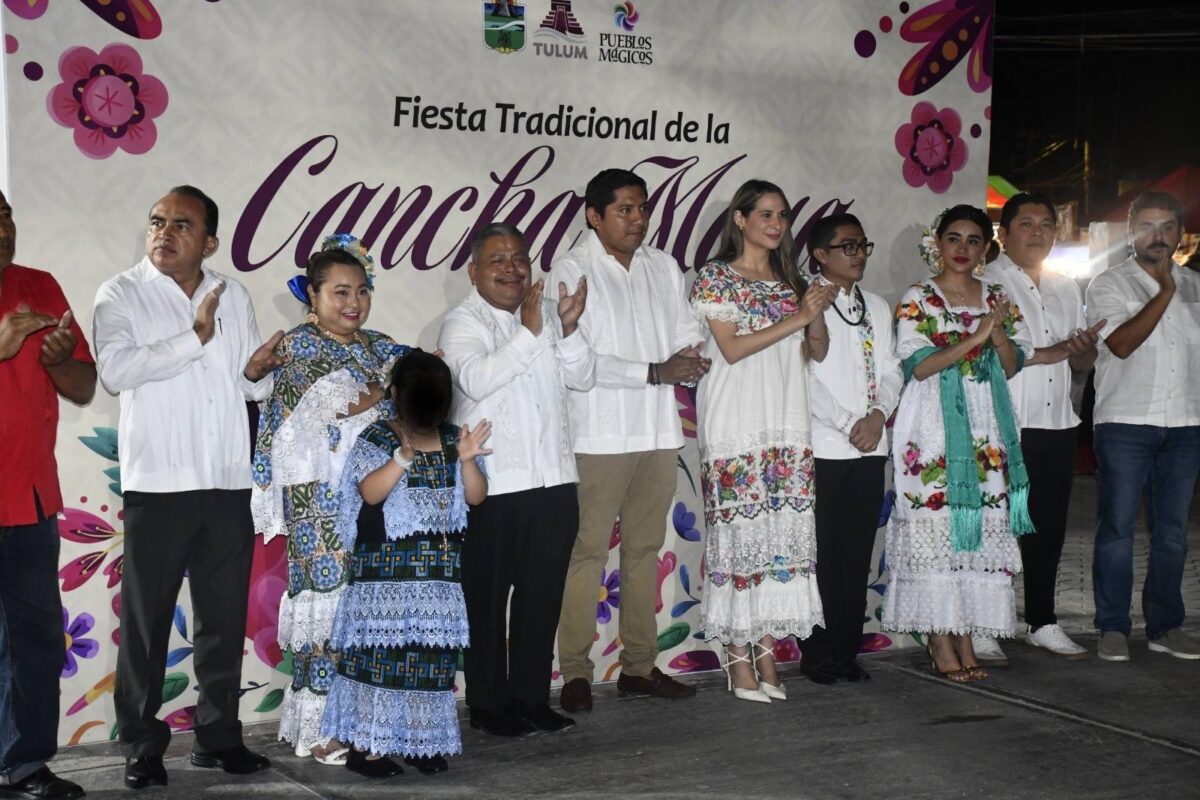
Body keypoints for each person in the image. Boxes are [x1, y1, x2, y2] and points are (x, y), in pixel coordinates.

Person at [93, 186, 281, 790]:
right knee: (147, 625)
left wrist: (255, 373)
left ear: (209, 241)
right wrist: (193, 337)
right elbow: (118, 371)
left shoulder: (234, 293)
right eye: (156, 221)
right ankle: (141, 747)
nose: (164, 233)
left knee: (223, 620)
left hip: (226, 481)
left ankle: (219, 736)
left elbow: (249, 390)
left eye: (181, 224)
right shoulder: (120, 293)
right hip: (159, 485)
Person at [552, 169, 707, 714]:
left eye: (642, 208)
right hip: (598, 432)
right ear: (593, 215)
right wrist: (656, 371)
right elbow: (580, 364)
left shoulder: (663, 266)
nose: (637, 218)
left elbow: (688, 327)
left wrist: (690, 355)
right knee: (586, 552)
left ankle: (639, 666)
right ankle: (574, 672)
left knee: (645, 549)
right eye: (624, 209)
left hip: (658, 431)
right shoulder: (571, 269)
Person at [250, 235, 409, 763]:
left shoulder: (377, 345)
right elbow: (340, 404)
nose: (353, 304)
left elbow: (423, 377)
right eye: (340, 292)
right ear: (312, 299)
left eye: (361, 291)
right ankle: (321, 730)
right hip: (318, 502)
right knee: (328, 613)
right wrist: (389, 388)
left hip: (374, 499)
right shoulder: (297, 348)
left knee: (368, 616)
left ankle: (364, 721)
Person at [438, 223, 593, 735]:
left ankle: (531, 699)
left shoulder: (547, 313)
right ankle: (486, 706)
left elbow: (583, 377)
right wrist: (530, 334)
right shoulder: (462, 323)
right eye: (498, 260)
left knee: (541, 597)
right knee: (486, 602)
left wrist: (566, 330)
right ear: (473, 271)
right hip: (494, 488)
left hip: (553, 482)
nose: (512, 268)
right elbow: (477, 379)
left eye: (519, 258)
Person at [688, 180, 834, 701]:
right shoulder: (716, 278)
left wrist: (814, 318)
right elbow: (729, 349)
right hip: (736, 424)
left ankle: (768, 660)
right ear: (741, 219)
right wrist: (799, 316)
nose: (776, 224)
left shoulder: (790, 279)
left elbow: (814, 350)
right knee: (739, 543)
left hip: (786, 425)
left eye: (782, 215)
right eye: (766, 214)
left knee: (776, 543)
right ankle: (737, 663)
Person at [883, 204, 1034, 683]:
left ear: (986, 248)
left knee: (972, 533)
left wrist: (999, 335)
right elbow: (920, 366)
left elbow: (1010, 364)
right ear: (937, 244)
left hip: (986, 426)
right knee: (936, 531)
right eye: (954, 238)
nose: (964, 249)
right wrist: (981, 334)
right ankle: (939, 638)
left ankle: (963, 631)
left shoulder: (996, 295)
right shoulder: (918, 298)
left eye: (974, 240)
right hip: (931, 429)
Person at [320, 351, 490, 777]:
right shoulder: (378, 437)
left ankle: (419, 742)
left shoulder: (456, 438)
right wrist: (400, 460)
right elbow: (370, 494)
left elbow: (476, 497)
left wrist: (467, 460)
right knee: (380, 661)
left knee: (429, 665)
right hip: (384, 579)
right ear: (397, 395)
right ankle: (368, 750)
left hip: (437, 579)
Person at [970, 193, 1104, 665]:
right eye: (1025, 224)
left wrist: (1085, 346)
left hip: (1057, 422)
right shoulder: (985, 283)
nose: (1038, 232)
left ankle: (1042, 620)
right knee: (995, 525)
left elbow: (1081, 361)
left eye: (1046, 224)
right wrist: (1057, 350)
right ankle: (983, 624)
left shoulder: (1067, 288)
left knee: (1046, 527)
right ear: (1003, 234)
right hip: (1004, 422)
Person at [0, 190, 94, 800]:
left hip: (29, 500)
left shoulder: (39, 285)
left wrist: (59, 361)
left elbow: (83, 385)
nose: (3, 228)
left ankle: (26, 765)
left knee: (34, 643)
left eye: (5, 215)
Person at [1085, 190, 1200, 662]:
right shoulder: (1107, 284)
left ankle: (1165, 626)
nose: (1159, 236)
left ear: (1180, 232)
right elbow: (1124, 344)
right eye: (1148, 226)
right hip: (1125, 423)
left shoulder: (1196, 285)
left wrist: (1178, 284)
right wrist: (1166, 291)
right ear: (1131, 231)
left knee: (1172, 532)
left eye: (1167, 226)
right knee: (1117, 529)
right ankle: (1113, 626)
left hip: (1187, 423)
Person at [802, 212, 903, 684]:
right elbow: (804, 379)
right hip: (823, 447)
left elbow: (891, 370)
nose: (859, 253)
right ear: (820, 255)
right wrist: (849, 423)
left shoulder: (878, 307)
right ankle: (818, 653)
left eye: (863, 245)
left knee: (857, 552)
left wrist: (878, 416)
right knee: (821, 555)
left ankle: (847, 650)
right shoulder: (804, 304)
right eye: (847, 246)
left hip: (868, 448)